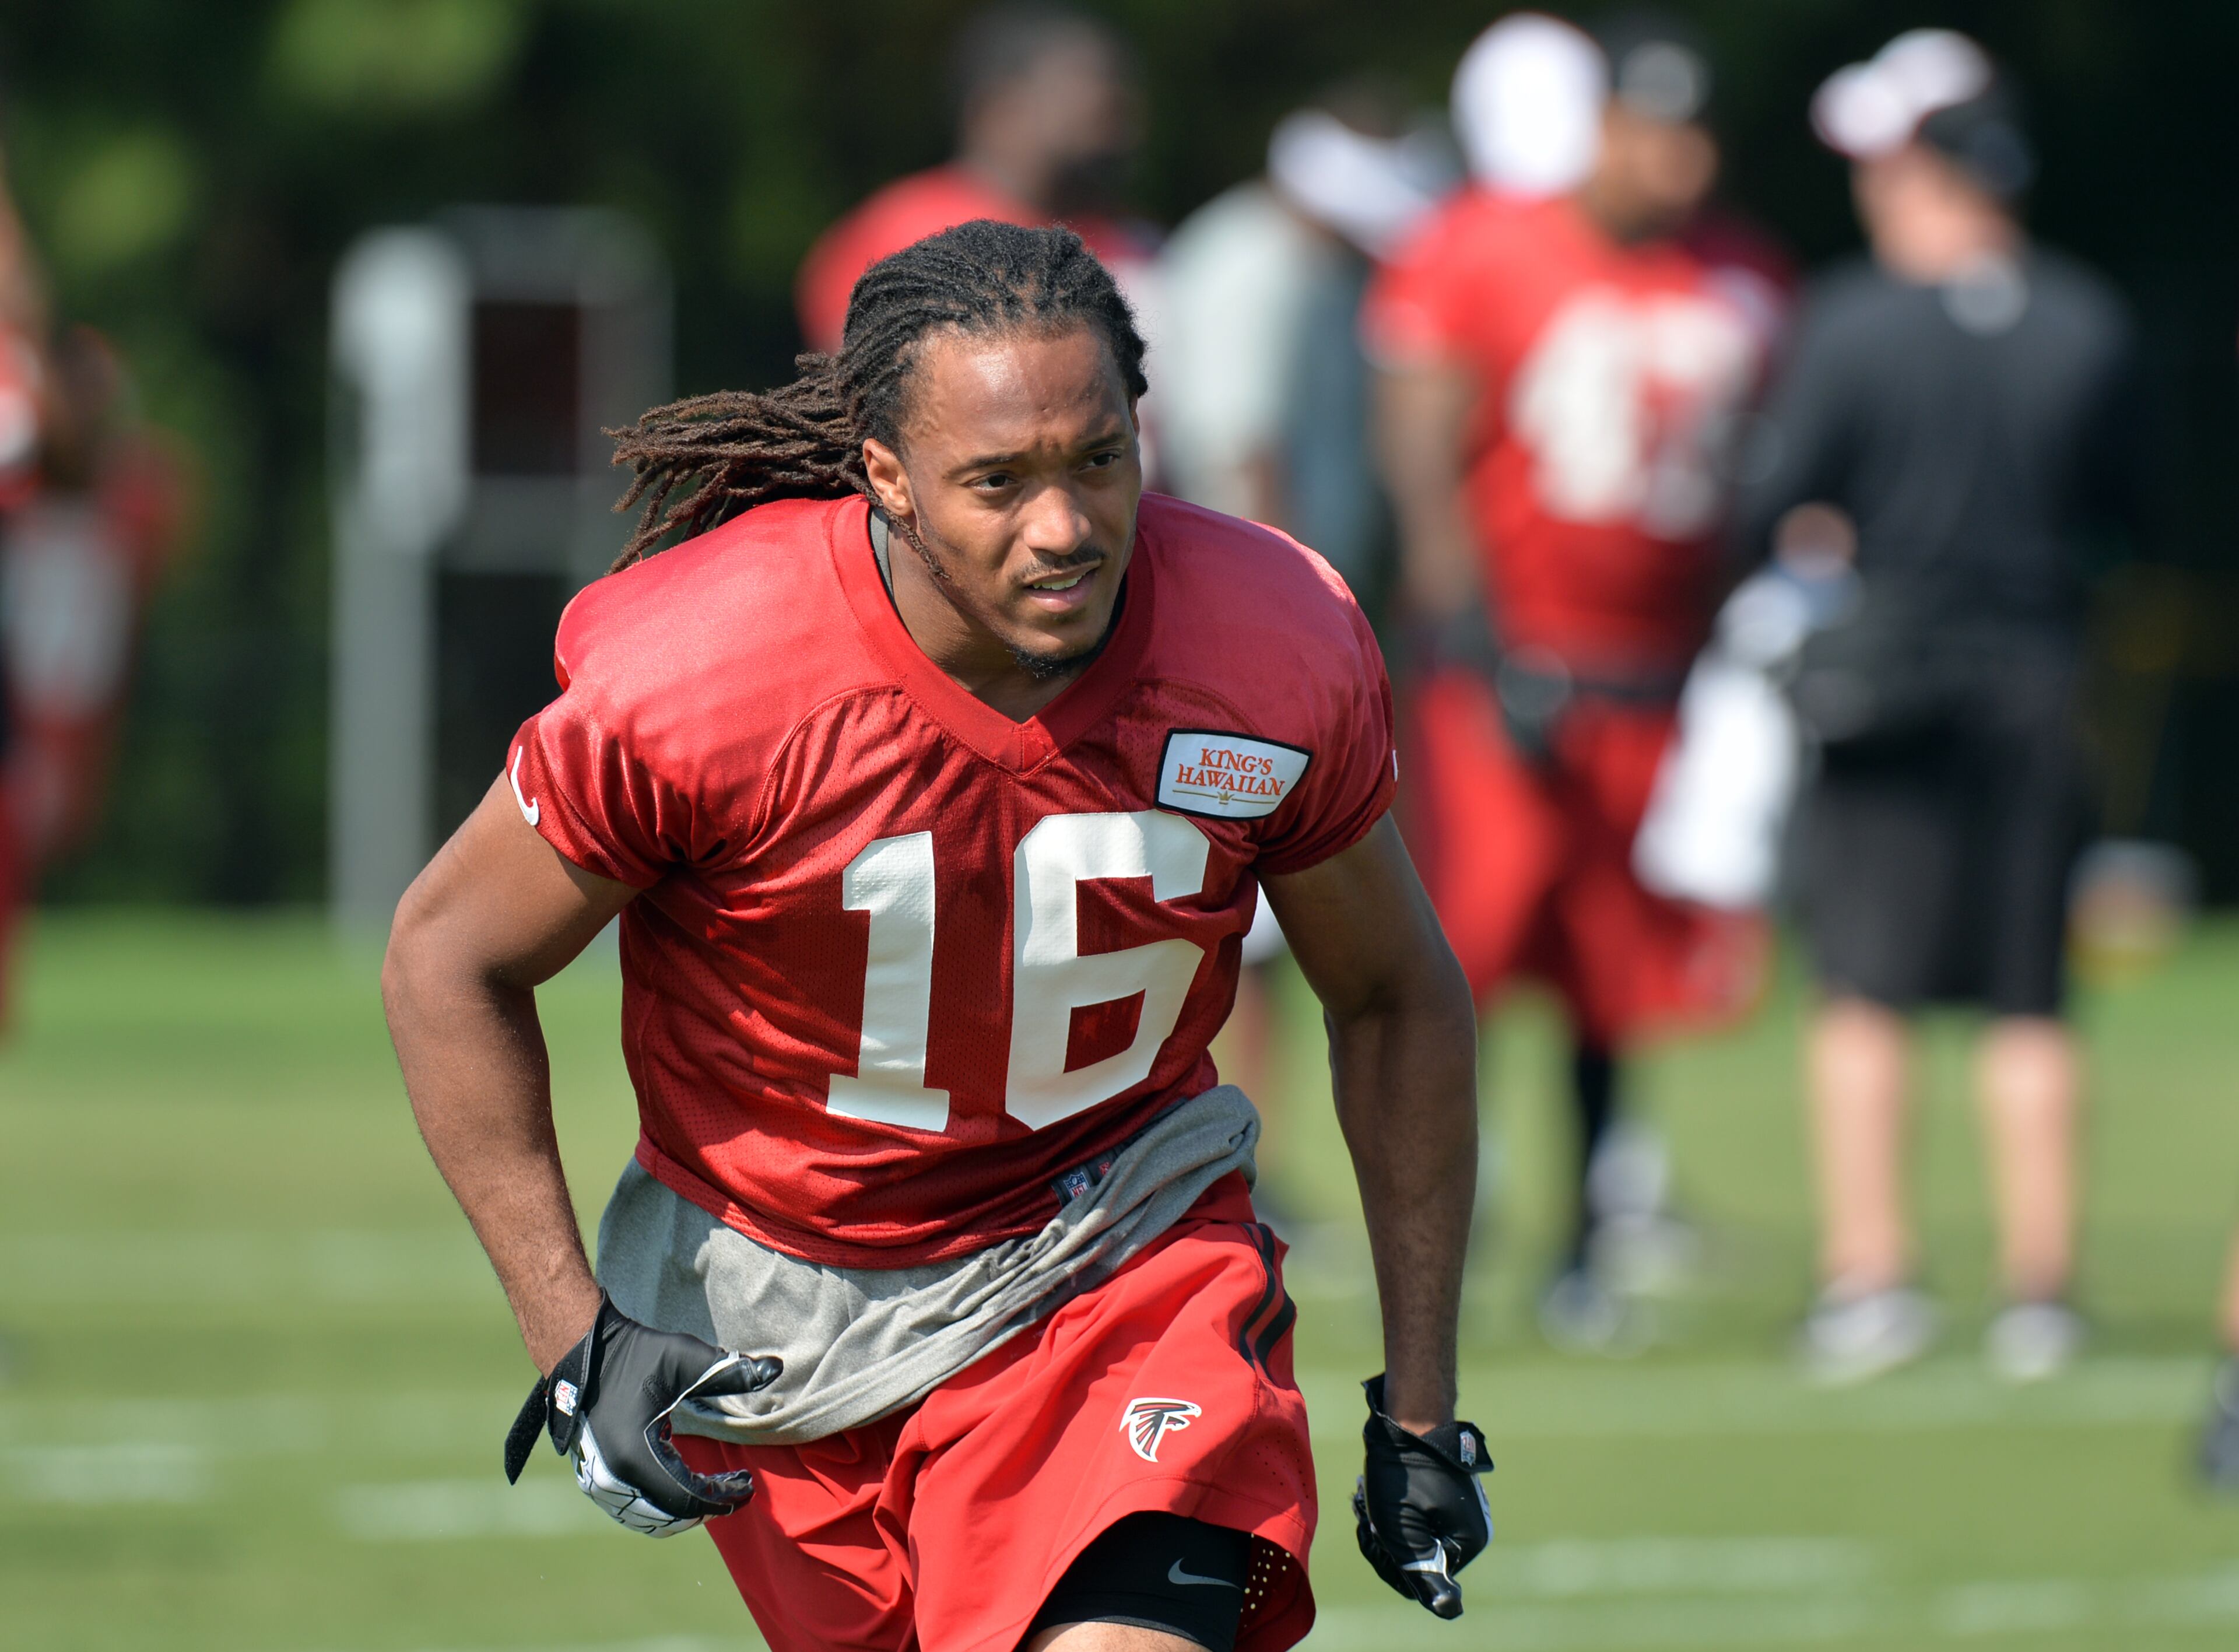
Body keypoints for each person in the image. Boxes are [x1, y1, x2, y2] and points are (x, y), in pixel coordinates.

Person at [382, 222, 1493, 1651]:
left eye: (1098, 459)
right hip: (787, 1303)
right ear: (888, 475)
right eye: (998, 480)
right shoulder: (710, 672)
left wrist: (1421, 1409)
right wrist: (568, 1336)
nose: (1065, 526)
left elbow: (1394, 993)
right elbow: (448, 955)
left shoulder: (1267, 640)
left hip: (1121, 1247)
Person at [1739, 31, 2142, 1384]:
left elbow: (1774, 500)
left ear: (1924, 169)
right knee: (2033, 995)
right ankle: (2040, 1287)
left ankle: (1873, 1274)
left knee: (1864, 988)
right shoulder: (2088, 320)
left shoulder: (1852, 323)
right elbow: (2126, 514)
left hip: (1885, 681)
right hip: (2040, 678)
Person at [1364, 12, 1767, 1350]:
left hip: (1653, 676)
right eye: (1651, 129)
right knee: (1462, 952)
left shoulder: (1738, 276)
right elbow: (1421, 445)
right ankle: (1427, 1222)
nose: (1677, 160)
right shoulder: (1483, 246)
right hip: (1510, 666)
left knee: (1612, 975)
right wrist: (1476, 637)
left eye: (1694, 132)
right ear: (1598, 127)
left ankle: (1588, 1239)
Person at [1156, 84, 1452, 1207]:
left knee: (1273, 918)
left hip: (1279, 619)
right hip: (1238, 630)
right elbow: (1248, 451)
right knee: (1237, 908)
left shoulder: (1316, 267)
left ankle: (1247, 1155)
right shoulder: (1253, 268)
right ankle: (1220, 1156)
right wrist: (1281, 629)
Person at [794, 4, 1151, 355]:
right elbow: (869, 379)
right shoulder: (897, 232)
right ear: (998, 106)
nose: (1114, 109)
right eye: (1087, 85)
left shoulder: (1139, 245)